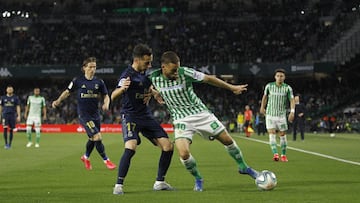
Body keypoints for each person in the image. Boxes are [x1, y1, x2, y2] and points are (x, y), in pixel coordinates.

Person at [149, 51, 259, 192]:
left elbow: (208, 79)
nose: (176, 72)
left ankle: (243, 167)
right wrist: (154, 92)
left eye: (178, 68)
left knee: (227, 140)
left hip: (201, 114)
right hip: (181, 118)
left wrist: (231, 87)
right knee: (183, 153)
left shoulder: (185, 72)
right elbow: (143, 85)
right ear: (163, 67)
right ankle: (198, 178)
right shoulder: (153, 78)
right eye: (173, 70)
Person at [111, 44, 174, 195]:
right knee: (131, 147)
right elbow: (113, 95)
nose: (149, 65)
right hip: (130, 116)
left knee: (168, 146)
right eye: (147, 62)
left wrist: (154, 92)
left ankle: (160, 182)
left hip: (146, 116)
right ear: (137, 60)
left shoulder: (146, 75)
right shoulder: (127, 75)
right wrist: (122, 89)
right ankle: (118, 185)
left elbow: (147, 86)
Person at [52, 57, 116, 170]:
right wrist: (58, 100)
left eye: (94, 67)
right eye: (90, 67)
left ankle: (85, 157)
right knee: (97, 136)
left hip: (95, 115)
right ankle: (107, 161)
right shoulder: (77, 81)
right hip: (84, 115)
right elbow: (67, 92)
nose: (92, 69)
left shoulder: (99, 82)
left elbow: (106, 95)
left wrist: (107, 103)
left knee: (92, 138)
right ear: (84, 68)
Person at [260, 68, 295, 162]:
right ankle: (275, 154)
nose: (279, 78)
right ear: (275, 77)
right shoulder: (269, 86)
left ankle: (283, 155)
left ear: (284, 77)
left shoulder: (287, 88)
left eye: (281, 76)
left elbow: (292, 100)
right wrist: (262, 107)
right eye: (278, 76)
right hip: (270, 114)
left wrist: (292, 111)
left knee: (282, 135)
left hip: (281, 116)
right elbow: (265, 97)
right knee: (272, 134)